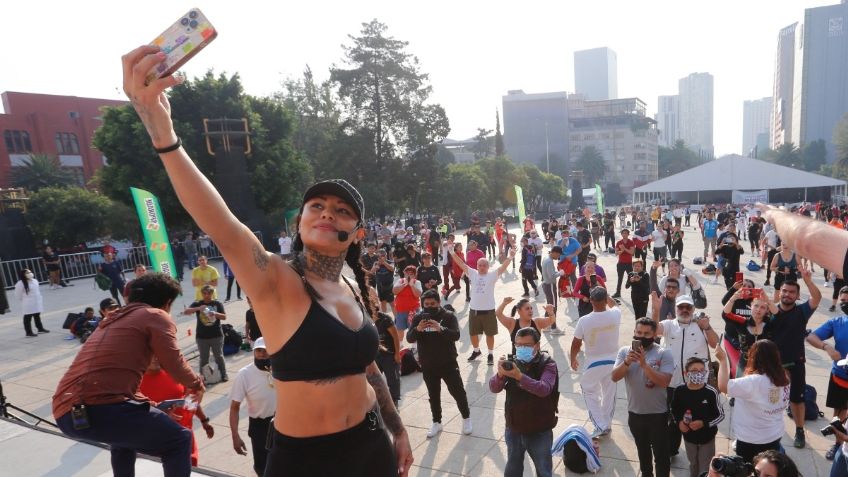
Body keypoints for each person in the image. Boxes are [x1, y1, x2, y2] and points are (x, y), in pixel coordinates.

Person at [126, 46, 413, 476]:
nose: (327, 212)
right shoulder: (277, 282)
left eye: (343, 210)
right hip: (305, 460)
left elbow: (369, 368)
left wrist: (398, 429)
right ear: (300, 223)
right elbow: (222, 224)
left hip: (372, 444)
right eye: (316, 205)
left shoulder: (352, 288)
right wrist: (162, 133)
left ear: (356, 233)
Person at [52, 273, 205, 477]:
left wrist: (152, 408)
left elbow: (116, 389)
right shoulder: (155, 315)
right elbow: (174, 363)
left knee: (123, 439)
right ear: (167, 302)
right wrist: (196, 384)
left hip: (66, 413)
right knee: (179, 439)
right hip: (101, 408)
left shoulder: (110, 321)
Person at [655, 294, 719, 457]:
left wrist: (707, 327)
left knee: (699, 420)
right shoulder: (669, 325)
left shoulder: (701, 325)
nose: (684, 310)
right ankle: (671, 450)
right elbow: (654, 330)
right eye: (681, 307)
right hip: (673, 383)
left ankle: (700, 452)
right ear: (676, 309)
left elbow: (715, 343)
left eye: (688, 307)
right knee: (674, 418)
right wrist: (656, 309)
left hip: (697, 385)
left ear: (693, 309)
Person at [490, 327, 559, 477]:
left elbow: (544, 389)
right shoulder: (512, 363)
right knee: (513, 469)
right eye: (518, 345)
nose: (521, 349)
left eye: (526, 345)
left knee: (543, 470)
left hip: (540, 429)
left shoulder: (548, 364)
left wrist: (519, 376)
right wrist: (500, 375)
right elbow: (494, 388)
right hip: (514, 428)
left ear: (537, 346)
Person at [611, 318, 674, 477]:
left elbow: (665, 381)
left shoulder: (663, 353)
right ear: (634, 332)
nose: (642, 336)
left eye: (647, 333)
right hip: (635, 413)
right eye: (639, 332)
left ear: (654, 335)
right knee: (643, 452)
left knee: (661, 455)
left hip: (657, 414)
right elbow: (614, 377)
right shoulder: (625, 352)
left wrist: (644, 365)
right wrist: (626, 363)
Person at [406, 290, 472, 438]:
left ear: (438, 303)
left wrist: (440, 328)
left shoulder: (448, 316)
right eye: (426, 304)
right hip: (428, 365)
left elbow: (456, 335)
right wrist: (417, 329)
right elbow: (409, 338)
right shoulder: (418, 318)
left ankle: (466, 418)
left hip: (448, 363)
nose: (429, 307)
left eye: (432, 304)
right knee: (433, 395)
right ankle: (437, 422)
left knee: (458, 392)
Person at [766, 272, 821, 448]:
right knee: (768, 399)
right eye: (784, 291)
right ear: (779, 292)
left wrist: (807, 280)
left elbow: (817, 297)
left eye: (791, 292)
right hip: (772, 365)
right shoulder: (770, 310)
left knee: (797, 400)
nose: (787, 294)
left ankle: (799, 430)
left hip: (795, 363)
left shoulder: (802, 311)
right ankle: (767, 429)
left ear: (797, 296)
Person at [714, 339, 790, 464]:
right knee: (769, 466)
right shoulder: (784, 377)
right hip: (774, 433)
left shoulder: (754, 382)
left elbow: (723, 386)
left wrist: (723, 360)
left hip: (751, 438)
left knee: (749, 468)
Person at [449, 237, 516, 365]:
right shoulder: (473, 273)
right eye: (480, 265)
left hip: (489, 310)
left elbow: (502, 267)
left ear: (488, 266)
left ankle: (490, 354)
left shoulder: (492, 275)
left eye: (484, 265)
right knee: (473, 333)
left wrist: (510, 257)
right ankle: (476, 350)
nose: (482, 267)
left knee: (489, 334)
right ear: (477, 266)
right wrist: (452, 252)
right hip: (474, 310)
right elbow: (461, 264)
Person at [140, 356, 214, 467]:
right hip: (158, 447)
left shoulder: (175, 373)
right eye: (151, 355)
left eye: (157, 354)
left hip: (185, 438)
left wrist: (204, 420)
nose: (155, 358)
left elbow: (190, 401)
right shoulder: (135, 383)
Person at [570, 287, 620, 437]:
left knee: (589, 390)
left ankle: (600, 425)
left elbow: (575, 343)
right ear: (605, 300)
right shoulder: (615, 315)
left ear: (591, 300)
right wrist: (606, 292)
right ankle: (606, 424)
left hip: (593, 363)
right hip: (613, 362)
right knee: (609, 394)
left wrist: (573, 358)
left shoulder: (584, 321)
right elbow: (615, 305)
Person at [806, 285, 848, 460]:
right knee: (839, 413)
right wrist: (826, 346)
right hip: (841, 376)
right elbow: (811, 336)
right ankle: (838, 444)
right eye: (843, 301)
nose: (845, 303)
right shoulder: (837, 322)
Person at [229, 337, 276, 476]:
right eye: (259, 350)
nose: (262, 354)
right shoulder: (244, 375)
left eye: (266, 350)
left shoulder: (281, 369)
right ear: (254, 352)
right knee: (263, 468)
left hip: (283, 423)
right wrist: (235, 436)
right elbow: (234, 407)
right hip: (260, 427)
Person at [669, 357, 724, 477]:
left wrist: (704, 423)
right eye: (694, 370)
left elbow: (720, 415)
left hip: (707, 438)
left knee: (705, 466)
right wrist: (679, 422)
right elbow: (674, 409)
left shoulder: (710, 392)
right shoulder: (679, 390)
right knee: (693, 463)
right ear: (686, 373)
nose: (698, 373)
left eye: (701, 370)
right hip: (689, 438)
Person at [721, 287, 776, 378]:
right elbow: (726, 314)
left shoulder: (771, 323)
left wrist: (768, 301)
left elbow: (780, 316)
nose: (758, 310)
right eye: (756, 306)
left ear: (767, 310)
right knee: (740, 389)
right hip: (745, 363)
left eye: (763, 307)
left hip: (766, 365)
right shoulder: (742, 322)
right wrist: (733, 298)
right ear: (751, 306)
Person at [184, 285, 229, 382]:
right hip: (201, 337)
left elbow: (224, 317)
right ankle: (202, 377)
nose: (206, 295)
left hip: (216, 335)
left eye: (209, 293)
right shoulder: (198, 303)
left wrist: (215, 314)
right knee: (204, 358)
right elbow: (186, 312)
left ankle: (224, 374)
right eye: (204, 293)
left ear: (212, 294)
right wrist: (198, 308)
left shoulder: (217, 304)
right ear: (202, 293)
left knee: (219, 356)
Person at [371, 290, 402, 407]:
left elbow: (395, 337)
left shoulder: (385, 319)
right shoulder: (366, 321)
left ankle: (394, 400)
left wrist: (397, 354)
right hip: (375, 356)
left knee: (392, 379)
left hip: (389, 355)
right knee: (374, 381)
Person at [14, 268, 48, 337]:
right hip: (28, 302)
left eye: (30, 272)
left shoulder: (35, 281)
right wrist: (23, 300)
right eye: (27, 273)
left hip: (36, 301)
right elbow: (18, 294)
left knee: (37, 315)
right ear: (23, 275)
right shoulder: (20, 283)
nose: (30, 273)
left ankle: (40, 329)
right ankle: (28, 332)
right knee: (27, 317)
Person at [392, 265, 422, 343]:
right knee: (400, 328)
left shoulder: (417, 282)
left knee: (413, 328)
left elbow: (418, 294)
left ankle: (415, 345)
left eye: (411, 274)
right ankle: (400, 343)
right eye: (407, 273)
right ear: (404, 274)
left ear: (415, 275)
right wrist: (403, 285)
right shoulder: (400, 281)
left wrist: (412, 285)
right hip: (401, 310)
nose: (408, 275)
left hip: (413, 311)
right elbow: (394, 291)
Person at [540, 246, 565, 334]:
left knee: (549, 306)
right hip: (550, 285)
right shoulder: (549, 261)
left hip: (546, 284)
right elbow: (552, 276)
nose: (558, 257)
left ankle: (546, 326)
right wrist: (560, 273)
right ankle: (553, 328)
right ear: (555, 252)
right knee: (553, 307)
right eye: (558, 255)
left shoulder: (546, 258)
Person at [612, 228, 635, 298]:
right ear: (621, 234)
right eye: (623, 233)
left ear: (628, 234)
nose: (624, 234)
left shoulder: (631, 242)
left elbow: (632, 252)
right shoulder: (619, 242)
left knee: (631, 277)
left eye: (626, 233)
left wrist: (624, 249)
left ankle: (634, 291)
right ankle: (618, 292)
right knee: (620, 278)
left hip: (629, 263)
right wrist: (621, 251)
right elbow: (616, 253)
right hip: (621, 263)